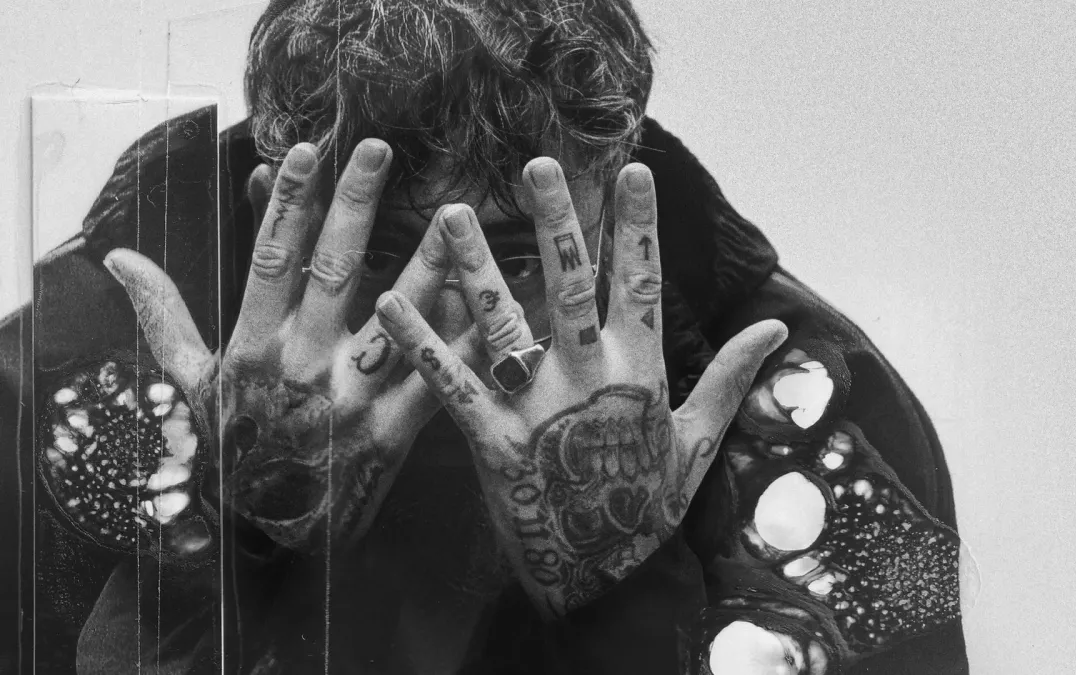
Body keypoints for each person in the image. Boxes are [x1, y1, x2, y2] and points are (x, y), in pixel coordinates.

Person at [0, 0, 969, 672]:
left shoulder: (802, 410)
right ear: (275, 211)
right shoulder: (53, 383)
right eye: (385, 254)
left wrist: (623, 598)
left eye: (515, 257)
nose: (449, 325)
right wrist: (246, 543)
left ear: (609, 205)